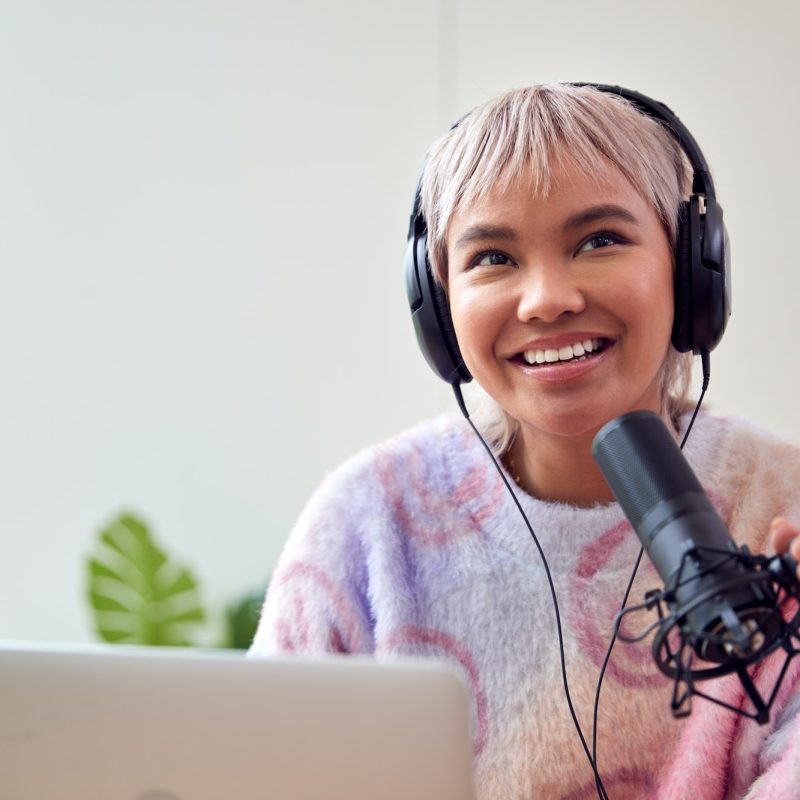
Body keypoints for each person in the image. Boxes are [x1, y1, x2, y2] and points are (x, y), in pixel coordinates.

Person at [250, 84, 800, 799]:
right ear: (438, 306)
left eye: (599, 241)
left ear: (693, 269)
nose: (546, 298)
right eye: (492, 258)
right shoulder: (368, 521)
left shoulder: (781, 506)